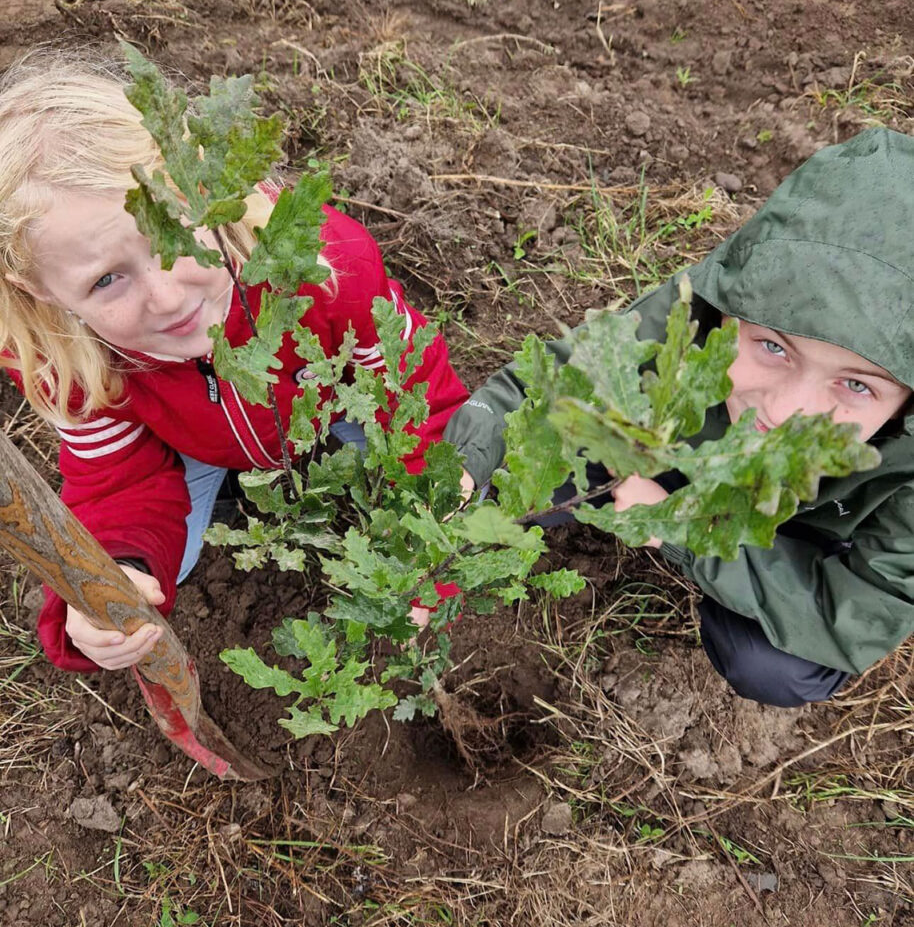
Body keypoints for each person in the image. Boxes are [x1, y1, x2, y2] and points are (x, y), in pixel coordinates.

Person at [0, 52, 469, 674]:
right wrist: (108, 584)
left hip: (332, 404)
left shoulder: (327, 268)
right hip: (184, 445)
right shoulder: (64, 356)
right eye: (106, 280)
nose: (168, 297)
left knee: (459, 479)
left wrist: (429, 541)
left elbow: (417, 400)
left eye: (177, 235)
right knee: (141, 594)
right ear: (42, 292)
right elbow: (118, 479)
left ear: (211, 189)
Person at [445, 127, 914, 707]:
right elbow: (554, 383)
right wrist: (464, 462)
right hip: (689, 454)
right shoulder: (708, 307)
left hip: (805, 536)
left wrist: (681, 527)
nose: (788, 409)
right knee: (543, 452)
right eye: (773, 348)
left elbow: (864, 610)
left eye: (856, 386)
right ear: (729, 314)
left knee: (775, 665)